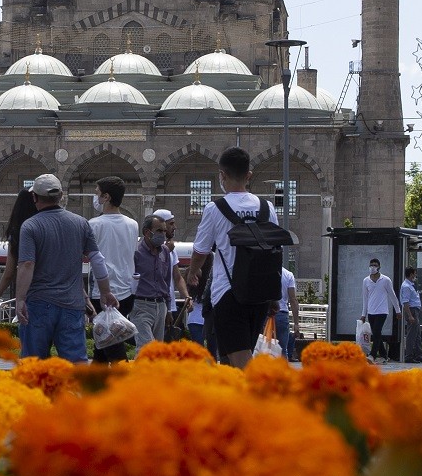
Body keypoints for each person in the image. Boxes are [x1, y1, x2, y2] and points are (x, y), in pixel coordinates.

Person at [188, 147, 288, 367]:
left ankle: (257, 397)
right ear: (249, 175)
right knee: (231, 356)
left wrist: (193, 272)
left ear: (222, 175)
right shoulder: (267, 207)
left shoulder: (215, 209)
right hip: (260, 294)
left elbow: (201, 251)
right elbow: (274, 251)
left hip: (228, 293)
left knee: (240, 358)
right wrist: (274, 296)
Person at [14, 173, 109, 361]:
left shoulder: (30, 226)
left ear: (34, 197)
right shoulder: (80, 223)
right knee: (76, 363)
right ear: (61, 196)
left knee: (34, 364)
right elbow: (97, 259)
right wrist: (105, 292)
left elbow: (27, 264)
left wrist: (19, 300)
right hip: (72, 305)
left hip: (39, 304)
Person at [88, 178, 140, 361]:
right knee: (101, 345)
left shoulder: (94, 225)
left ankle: (124, 383)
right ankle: (95, 384)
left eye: (97, 193)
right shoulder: (132, 224)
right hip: (127, 292)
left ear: (106, 197)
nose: (95, 198)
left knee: (110, 343)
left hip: (103, 292)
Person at [131, 209, 181, 346]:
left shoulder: (165, 251)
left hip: (160, 306)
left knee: (157, 350)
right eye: (159, 231)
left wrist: (168, 309)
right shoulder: (136, 252)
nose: (164, 235)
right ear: (147, 232)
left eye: (165, 231)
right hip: (141, 305)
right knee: (146, 346)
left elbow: (166, 280)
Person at [360, 257, 400, 360]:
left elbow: (392, 295)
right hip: (371, 311)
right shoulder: (366, 281)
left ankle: (372, 355)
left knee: (377, 331)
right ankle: (384, 355)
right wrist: (363, 314)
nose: (373, 267)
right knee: (376, 334)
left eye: (375, 265)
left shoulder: (385, 280)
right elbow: (365, 298)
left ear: (379, 267)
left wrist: (398, 310)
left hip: (382, 311)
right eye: (371, 265)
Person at [398, 269, 422, 361]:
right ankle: (409, 355)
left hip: (415, 310)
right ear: (411, 274)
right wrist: (410, 315)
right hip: (411, 310)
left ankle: (419, 355)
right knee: (411, 334)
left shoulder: (411, 285)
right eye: (414, 273)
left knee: (417, 334)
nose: (415, 275)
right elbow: (405, 302)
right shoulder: (406, 286)